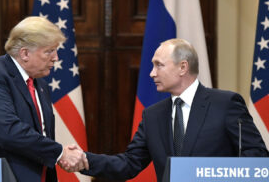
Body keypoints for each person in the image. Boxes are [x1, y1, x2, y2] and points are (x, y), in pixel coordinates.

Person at [67, 38, 268, 182]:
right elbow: (128, 164)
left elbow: (257, 158)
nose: (151, 73)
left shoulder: (226, 104)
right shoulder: (153, 115)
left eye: (159, 65)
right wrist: (85, 159)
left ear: (182, 67)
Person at [0, 16, 88, 182]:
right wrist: (60, 152)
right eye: (49, 51)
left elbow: (42, 133)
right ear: (25, 53)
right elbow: (9, 131)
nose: (55, 58)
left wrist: (59, 153)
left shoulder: (39, 82)